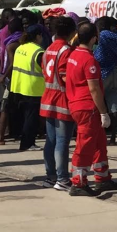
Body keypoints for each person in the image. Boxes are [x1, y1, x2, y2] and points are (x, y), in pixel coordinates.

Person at [66, 22, 117, 196]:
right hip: (87, 108)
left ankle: (103, 178)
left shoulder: (73, 55)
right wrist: (103, 112)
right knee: (84, 147)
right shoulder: (89, 59)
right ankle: (78, 182)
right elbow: (94, 88)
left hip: (77, 104)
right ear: (94, 38)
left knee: (99, 144)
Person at [40, 17, 77, 191]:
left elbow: (44, 72)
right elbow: (64, 76)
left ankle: (50, 176)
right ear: (71, 32)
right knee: (62, 141)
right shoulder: (66, 50)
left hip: (47, 98)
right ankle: (62, 178)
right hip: (62, 100)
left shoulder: (48, 49)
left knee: (51, 141)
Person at [10, 24, 46, 151]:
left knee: (25, 117)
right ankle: (28, 143)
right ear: (37, 36)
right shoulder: (38, 51)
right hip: (33, 89)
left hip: (18, 86)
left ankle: (26, 142)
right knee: (31, 119)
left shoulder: (21, 48)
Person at [0, 17, 23, 145]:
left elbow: (12, 63)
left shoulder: (11, 43)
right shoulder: (23, 41)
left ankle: (0, 137)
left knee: (4, 106)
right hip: (22, 78)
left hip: (10, 78)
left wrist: (3, 76)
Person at [94, 16, 117, 144]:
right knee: (115, 104)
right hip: (114, 71)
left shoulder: (103, 34)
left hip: (101, 72)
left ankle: (99, 134)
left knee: (98, 103)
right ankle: (113, 137)